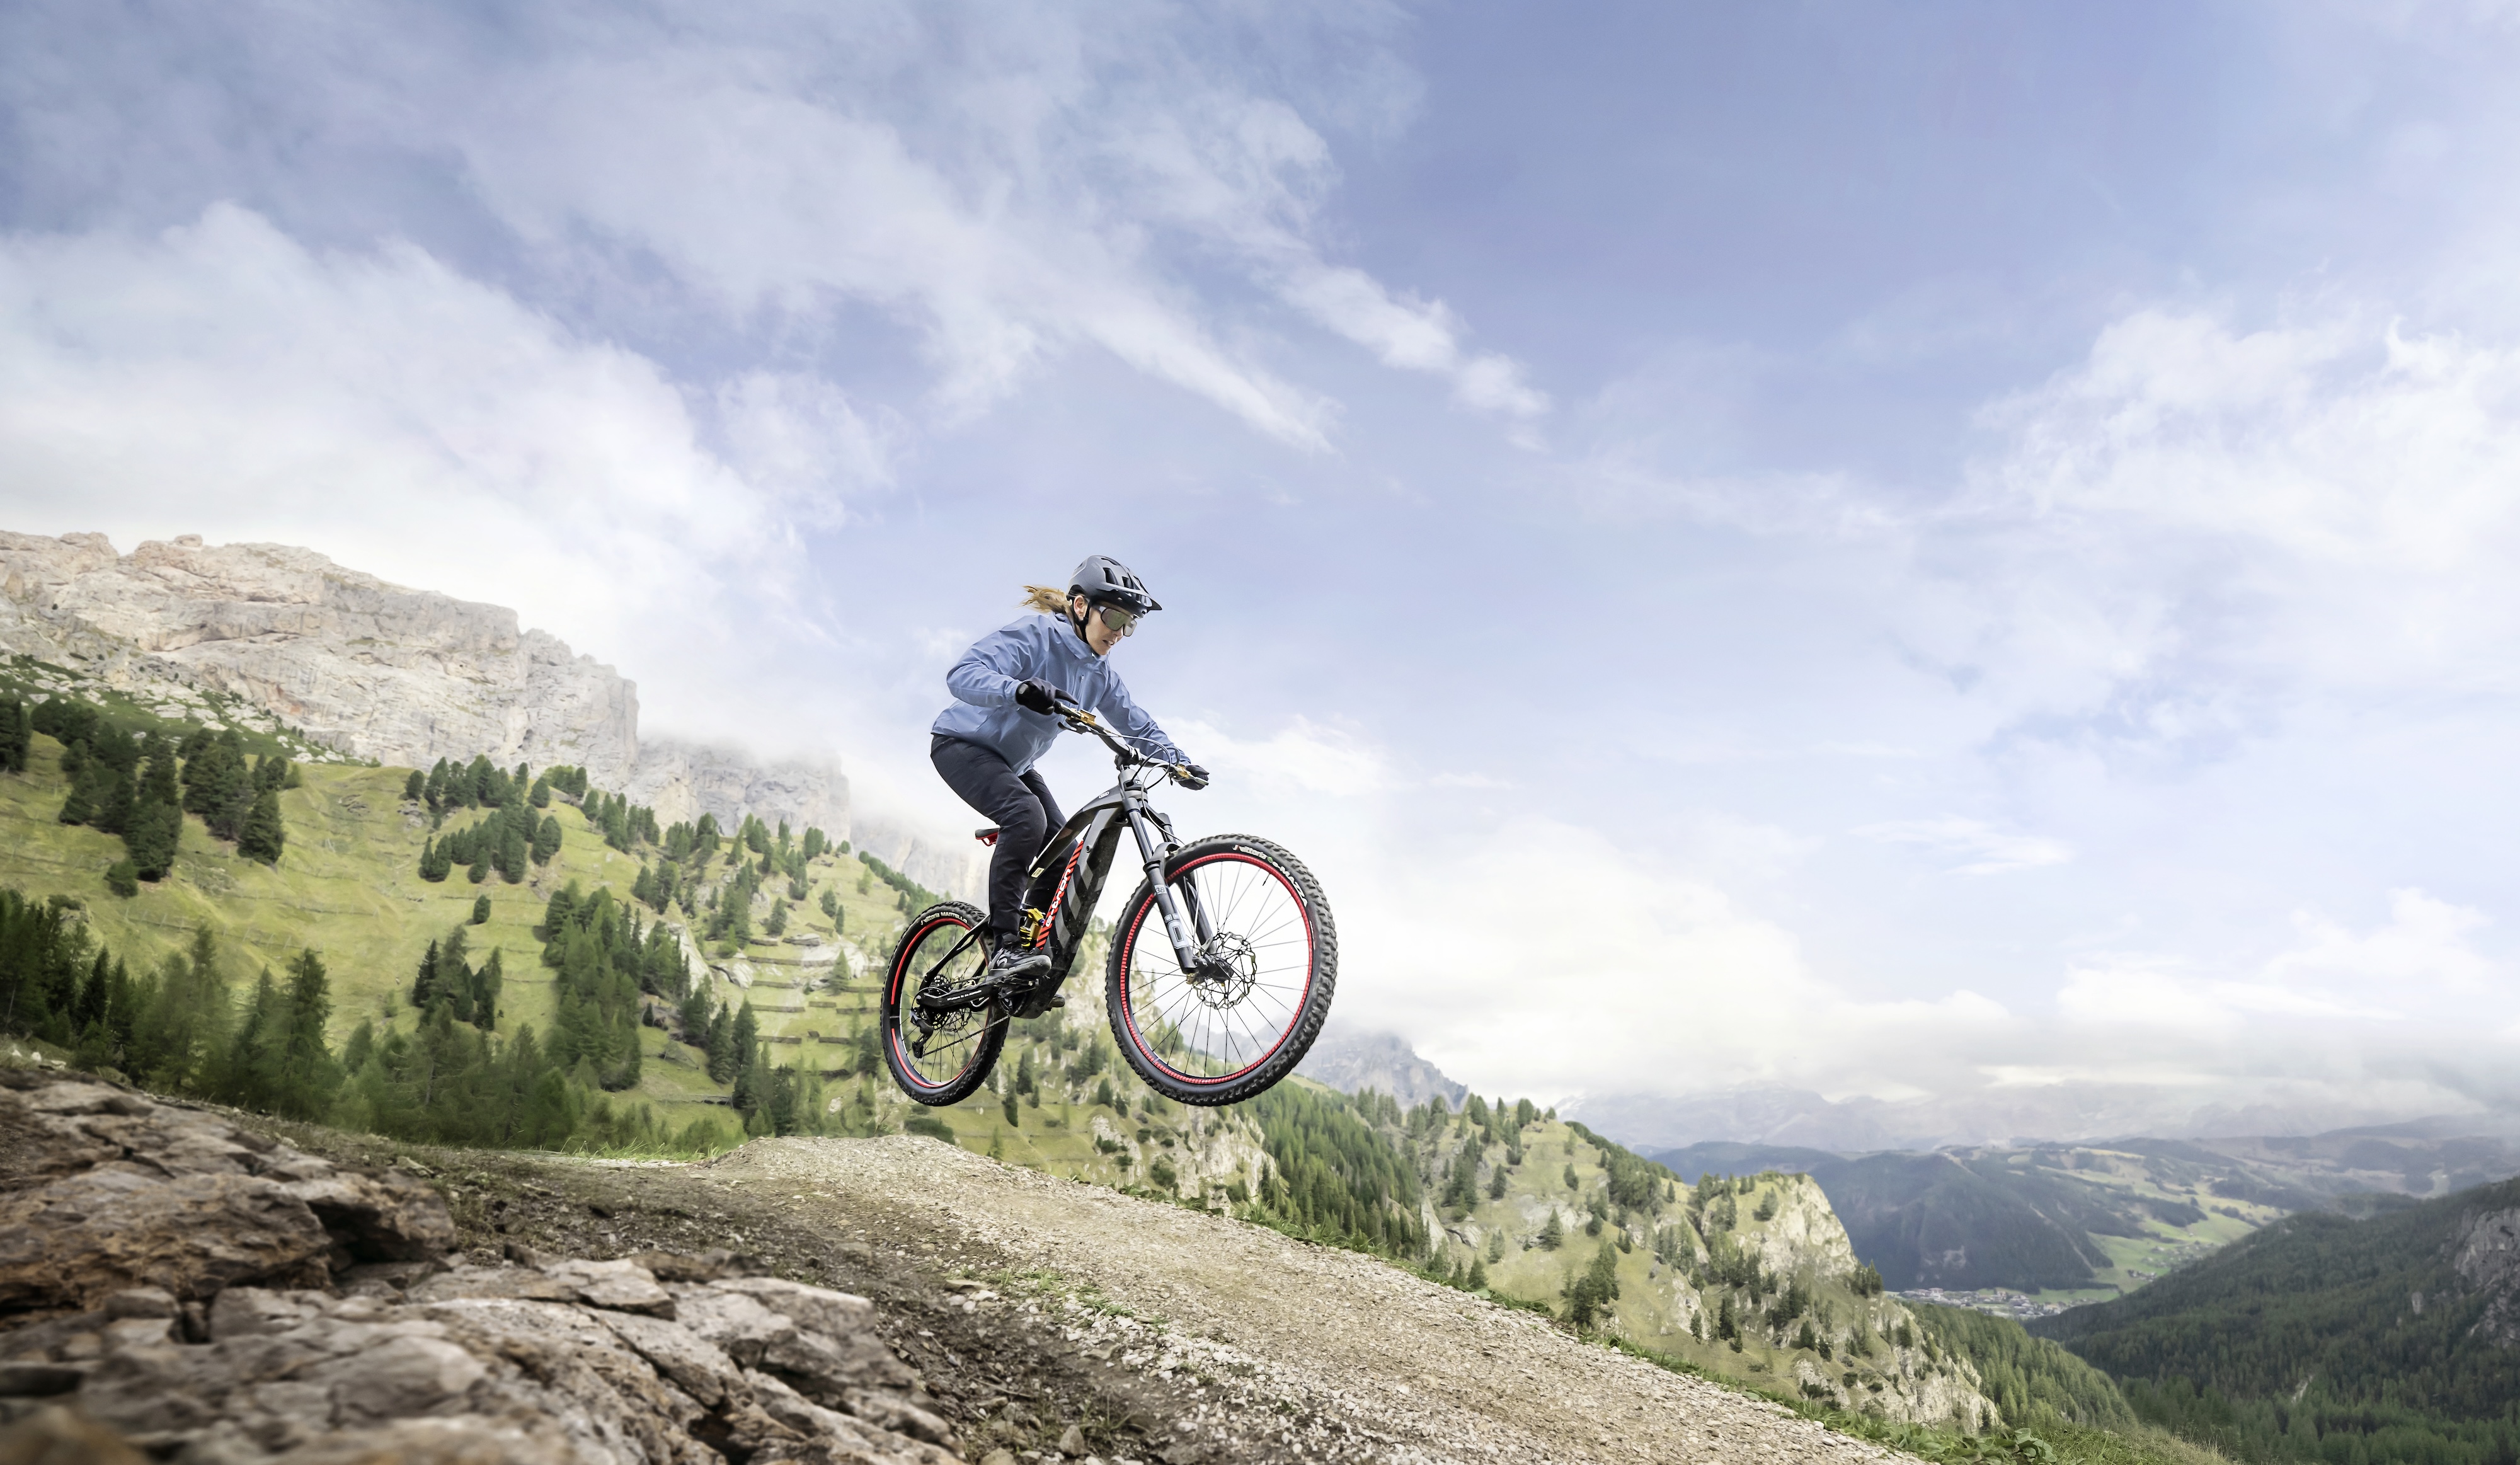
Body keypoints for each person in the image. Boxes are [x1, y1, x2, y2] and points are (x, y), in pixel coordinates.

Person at [931, 554, 1209, 984]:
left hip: (1014, 763)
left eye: (1129, 623)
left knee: (1062, 845)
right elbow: (962, 674)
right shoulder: (1037, 636)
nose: (1119, 632)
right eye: (1114, 616)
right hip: (962, 744)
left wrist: (1178, 761)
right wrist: (1018, 689)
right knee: (1026, 816)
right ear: (1080, 607)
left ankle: (1026, 945)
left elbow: (1137, 723)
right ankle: (1004, 948)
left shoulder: (1099, 675)